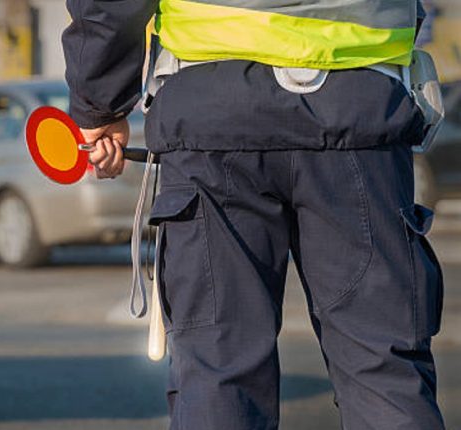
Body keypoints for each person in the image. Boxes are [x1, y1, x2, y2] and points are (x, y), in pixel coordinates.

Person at [62, 0, 446, 429]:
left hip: (211, 115)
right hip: (360, 111)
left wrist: (99, 103)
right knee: (383, 369)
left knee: (220, 370)